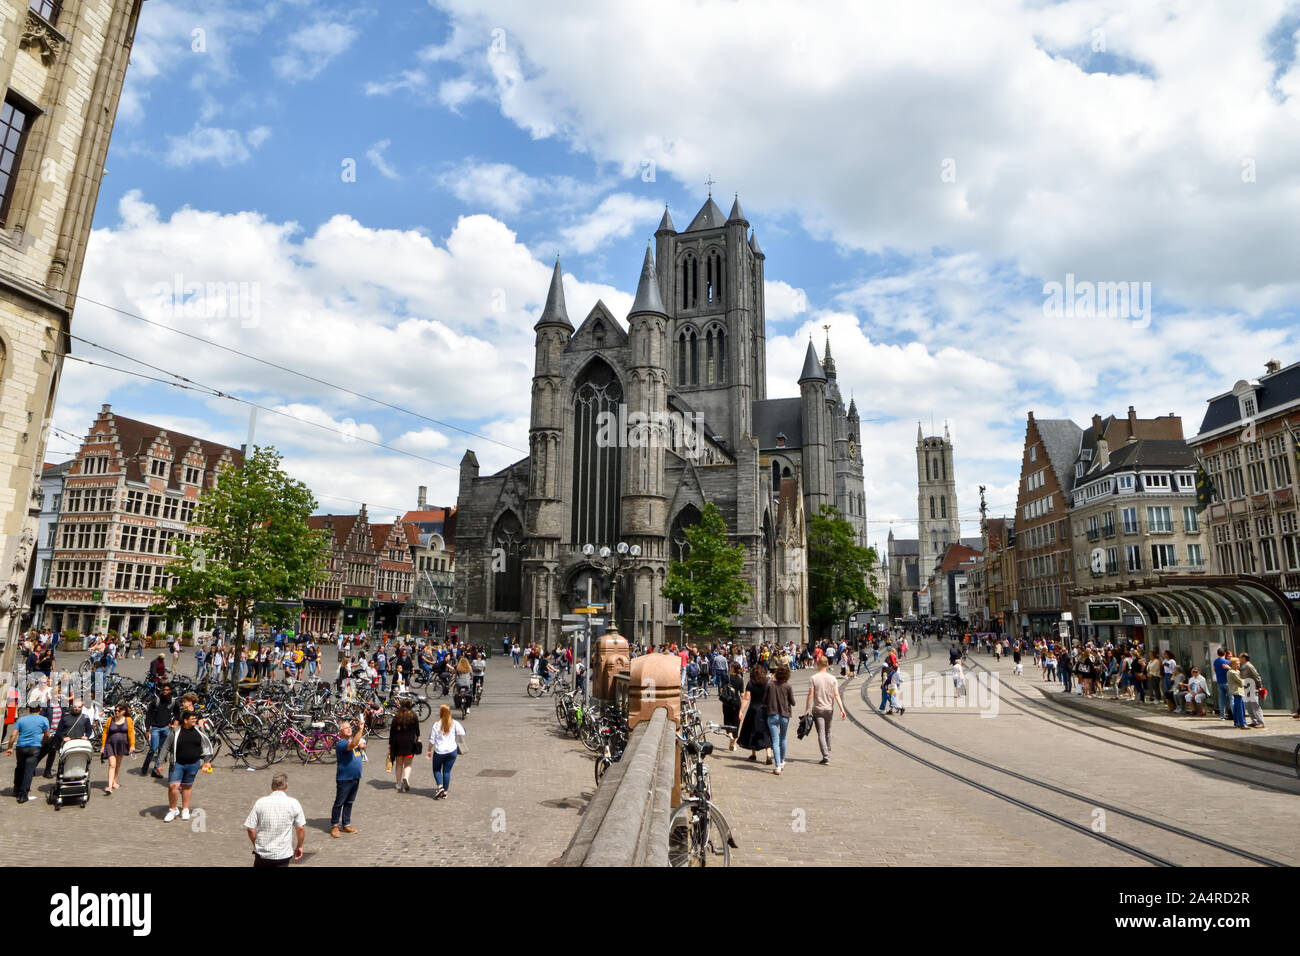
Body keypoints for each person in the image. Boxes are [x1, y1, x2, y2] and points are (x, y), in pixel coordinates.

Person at [245, 772, 306, 867]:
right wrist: (299, 846)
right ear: (286, 786)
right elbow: (300, 828)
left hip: (262, 854)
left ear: (272, 786)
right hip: (282, 854)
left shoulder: (260, 802)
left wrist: (256, 844)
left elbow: (250, 828)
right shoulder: (294, 803)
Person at [164, 709, 212, 822]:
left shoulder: (199, 730)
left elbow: (205, 745)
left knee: (187, 786)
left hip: (193, 764)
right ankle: (173, 809)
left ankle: (185, 809)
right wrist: (160, 762)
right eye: (193, 718)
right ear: (185, 720)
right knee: (173, 786)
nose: (195, 720)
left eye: (196, 718)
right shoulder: (175, 731)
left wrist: (207, 761)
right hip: (177, 763)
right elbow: (166, 746)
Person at [804, 655, 845, 765]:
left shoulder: (813, 678)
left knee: (821, 733)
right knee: (828, 731)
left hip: (818, 709)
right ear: (827, 664)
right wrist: (842, 709)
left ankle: (825, 756)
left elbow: (810, 695)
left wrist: (807, 709)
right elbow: (836, 695)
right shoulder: (833, 678)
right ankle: (828, 751)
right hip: (829, 709)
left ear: (818, 664)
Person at [5, 702, 50, 803]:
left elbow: (13, 735)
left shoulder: (22, 720)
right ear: (40, 709)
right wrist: (43, 741)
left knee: (19, 767)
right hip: (34, 747)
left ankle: (16, 788)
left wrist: (10, 748)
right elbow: (47, 734)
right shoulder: (44, 720)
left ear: (29, 709)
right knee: (28, 770)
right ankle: (23, 794)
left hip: (21, 747)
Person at [41, 696, 92, 777]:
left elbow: (89, 730)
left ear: (82, 707)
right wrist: (63, 737)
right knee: (63, 759)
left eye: (79, 707)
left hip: (79, 742)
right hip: (67, 743)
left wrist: (87, 736)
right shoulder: (65, 716)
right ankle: (59, 774)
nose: (77, 709)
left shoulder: (85, 717)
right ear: (72, 706)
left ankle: (80, 774)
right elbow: (58, 731)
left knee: (80, 760)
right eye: (75, 707)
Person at [331, 719, 365, 837]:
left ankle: (346, 824)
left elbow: (358, 745)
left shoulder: (352, 741)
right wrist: (360, 730)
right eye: (346, 728)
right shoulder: (341, 743)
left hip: (355, 777)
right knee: (339, 802)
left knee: (349, 802)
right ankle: (335, 825)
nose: (349, 729)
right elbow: (352, 745)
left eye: (350, 727)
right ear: (340, 732)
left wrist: (362, 745)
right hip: (344, 778)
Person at [735, 663, 772, 764]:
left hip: (754, 709)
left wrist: (741, 710)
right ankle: (769, 754)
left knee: (753, 731)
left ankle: (753, 754)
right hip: (765, 709)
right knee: (766, 731)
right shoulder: (767, 682)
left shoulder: (751, 683)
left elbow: (746, 698)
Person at [425, 703, 464, 799]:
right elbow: (462, 733)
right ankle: (445, 792)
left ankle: (440, 786)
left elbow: (432, 740)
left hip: (439, 751)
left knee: (436, 770)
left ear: (440, 713)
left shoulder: (436, 724)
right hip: (452, 751)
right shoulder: (454, 723)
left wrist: (429, 750)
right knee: (447, 771)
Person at [763, 664, 795, 775]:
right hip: (785, 715)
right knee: (783, 738)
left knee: (775, 741)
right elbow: (793, 702)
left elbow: (764, 700)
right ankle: (782, 761)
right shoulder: (788, 686)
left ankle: (777, 767)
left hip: (772, 714)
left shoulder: (770, 684)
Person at [99, 702, 135, 796]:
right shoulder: (110, 720)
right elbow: (105, 733)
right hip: (110, 744)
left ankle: (114, 781)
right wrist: (103, 746)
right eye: (115, 710)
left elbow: (131, 733)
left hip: (122, 745)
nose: (117, 712)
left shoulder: (128, 720)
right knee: (112, 764)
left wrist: (132, 745)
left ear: (124, 711)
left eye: (119, 710)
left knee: (118, 765)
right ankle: (109, 786)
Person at [142, 683, 177, 779]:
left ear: (170, 691)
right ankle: (145, 766)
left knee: (162, 751)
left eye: (167, 690)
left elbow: (178, 713)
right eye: (164, 690)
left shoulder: (173, 702)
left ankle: (155, 770)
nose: (165, 691)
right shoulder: (156, 701)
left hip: (166, 728)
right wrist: (147, 729)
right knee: (153, 748)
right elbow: (148, 714)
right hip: (156, 728)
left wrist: (174, 722)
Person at [388, 699, 420, 792]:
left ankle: (398, 784)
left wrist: (390, 744)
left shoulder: (396, 717)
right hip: (409, 743)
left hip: (397, 743)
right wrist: (418, 738)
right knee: (408, 764)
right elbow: (417, 731)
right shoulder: (413, 716)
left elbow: (392, 732)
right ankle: (406, 777)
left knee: (399, 764)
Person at [720, 662, 745, 750]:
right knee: (736, 722)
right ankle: (733, 743)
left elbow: (722, 689)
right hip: (736, 701)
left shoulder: (727, 677)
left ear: (732, 668)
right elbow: (742, 694)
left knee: (727, 719)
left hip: (727, 702)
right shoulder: (740, 679)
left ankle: (729, 733)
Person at [1239, 653, 1266, 728]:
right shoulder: (1243, 666)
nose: (1239, 659)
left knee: (1255, 705)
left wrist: (1259, 686)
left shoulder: (1249, 666)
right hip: (1246, 688)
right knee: (1248, 706)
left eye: (1240, 657)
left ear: (1244, 658)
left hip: (1252, 688)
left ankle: (1261, 722)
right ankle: (1254, 721)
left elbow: (1257, 676)